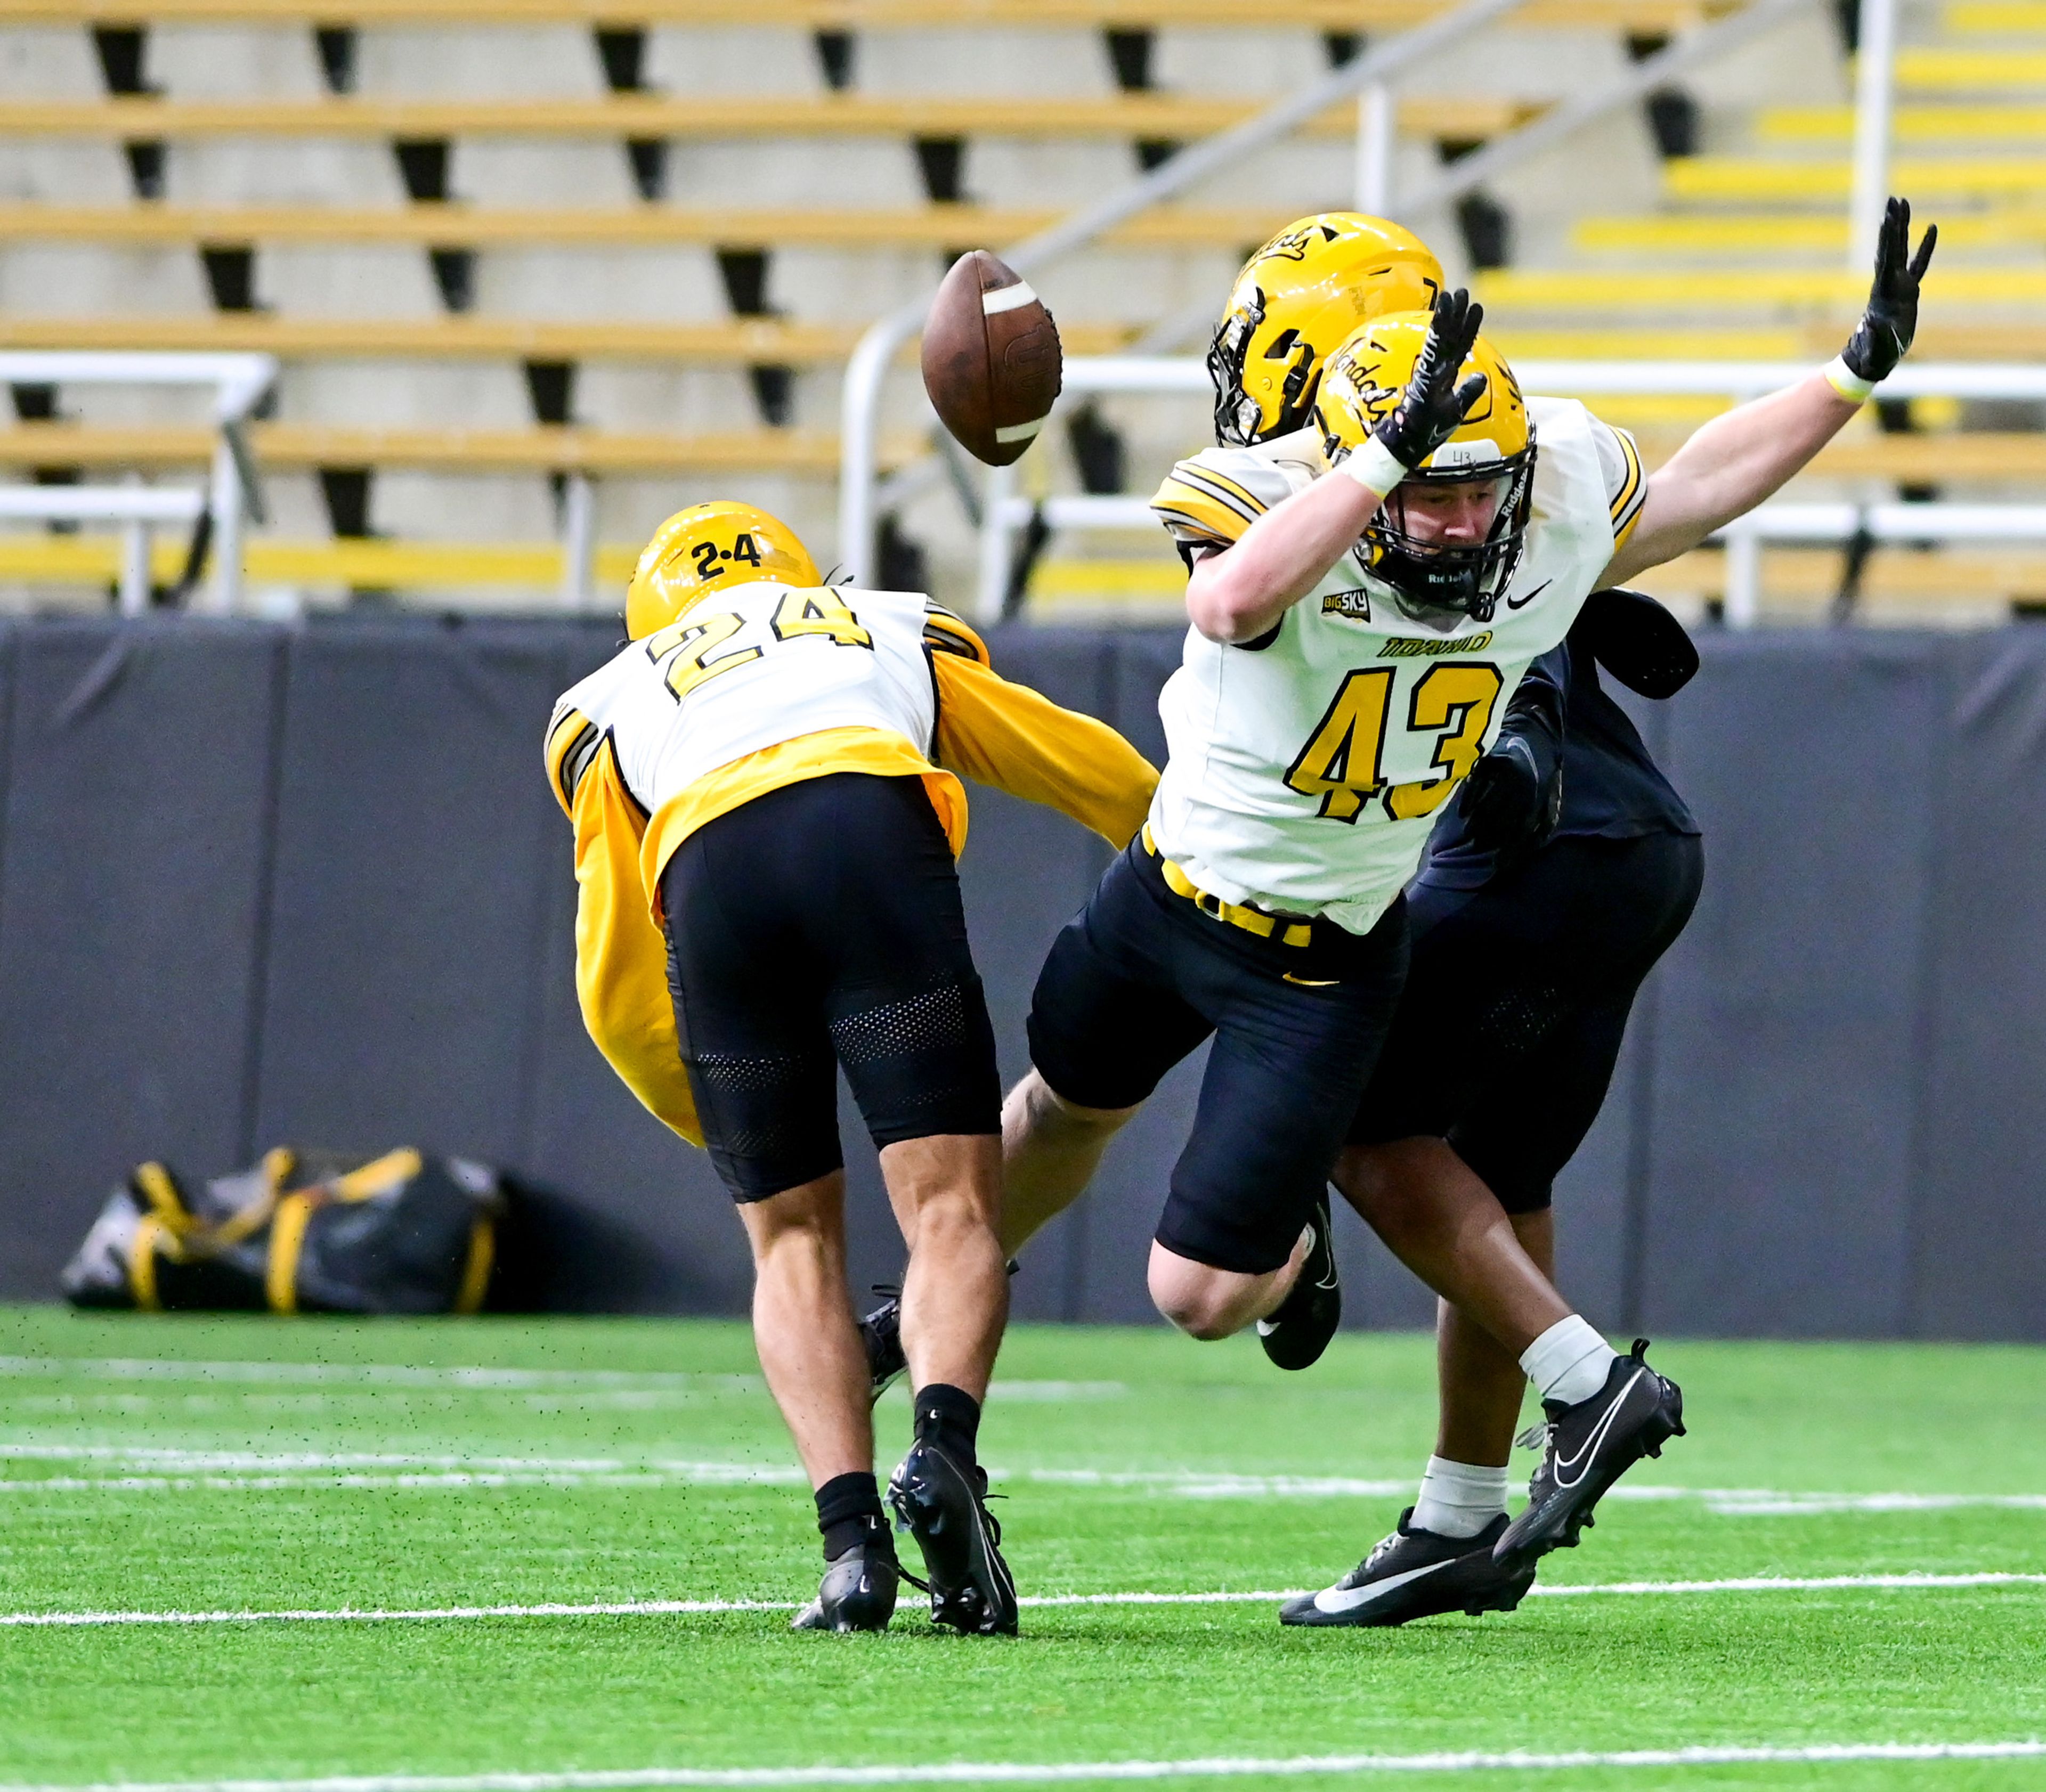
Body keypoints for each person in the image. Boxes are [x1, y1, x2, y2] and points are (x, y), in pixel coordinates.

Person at [990, 196, 1937, 1621]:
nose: (1458, 513)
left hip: (1479, 886)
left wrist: (1846, 379)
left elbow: (1684, 497)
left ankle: (1558, 1373)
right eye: (1427, 485)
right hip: (1415, 871)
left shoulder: (1538, 484)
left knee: (1374, 1144)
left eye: (1477, 484)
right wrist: (1381, 461)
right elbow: (1239, 598)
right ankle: (1461, 1509)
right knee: (1489, 1179)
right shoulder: (1294, 496)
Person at [543, 501, 1157, 1636]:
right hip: (868, 833)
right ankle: (943, 1451)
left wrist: (713, 1115)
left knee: (790, 1236)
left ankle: (848, 1553)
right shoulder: (872, 621)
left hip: (710, 867)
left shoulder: (610, 699)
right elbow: (1069, 756)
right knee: (953, 1212)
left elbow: (613, 979)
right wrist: (1184, 849)